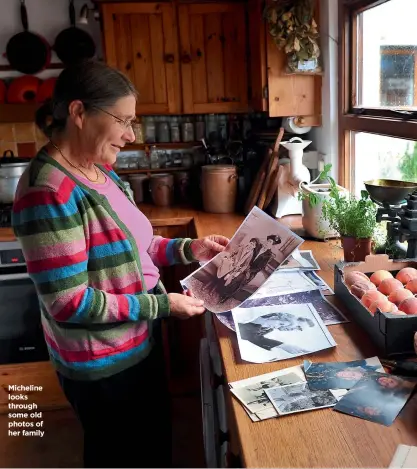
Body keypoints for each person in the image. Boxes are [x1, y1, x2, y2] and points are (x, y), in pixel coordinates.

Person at [11, 60, 229, 469]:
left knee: (150, 448)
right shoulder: (49, 192)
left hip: (136, 344)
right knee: (120, 456)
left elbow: (138, 247)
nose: (131, 134)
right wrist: (163, 306)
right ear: (79, 113)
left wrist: (190, 248)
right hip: (102, 364)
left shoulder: (101, 172)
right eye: (123, 120)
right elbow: (68, 303)